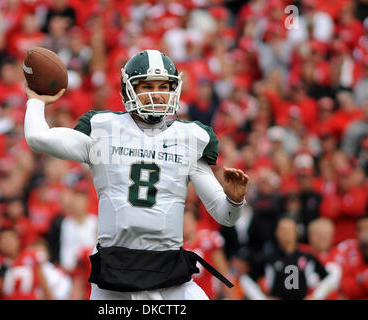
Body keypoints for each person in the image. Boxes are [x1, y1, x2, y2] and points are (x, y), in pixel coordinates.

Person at [24, 49, 249, 300]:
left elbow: (226, 216)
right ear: (128, 90)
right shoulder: (103, 129)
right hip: (114, 276)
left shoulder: (190, 138)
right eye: (147, 86)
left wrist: (235, 200)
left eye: (164, 85)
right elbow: (37, 138)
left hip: (169, 273)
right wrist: (36, 99)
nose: (157, 93)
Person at [240, 217, 331, 300]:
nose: (286, 233)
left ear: (296, 233)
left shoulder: (308, 257)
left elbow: (329, 278)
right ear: (276, 232)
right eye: (283, 230)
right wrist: (261, 298)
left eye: (290, 230)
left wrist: (316, 296)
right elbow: (246, 279)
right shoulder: (269, 258)